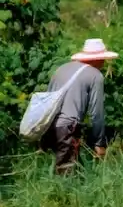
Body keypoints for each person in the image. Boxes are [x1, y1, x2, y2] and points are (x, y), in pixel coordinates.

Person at [41, 38, 118, 175]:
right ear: (98, 59)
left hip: (48, 126)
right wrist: (99, 143)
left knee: (62, 169)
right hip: (68, 127)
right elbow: (96, 113)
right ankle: (61, 196)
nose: (104, 63)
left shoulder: (61, 69)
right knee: (66, 174)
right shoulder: (95, 75)